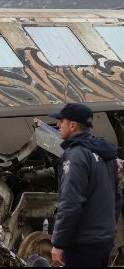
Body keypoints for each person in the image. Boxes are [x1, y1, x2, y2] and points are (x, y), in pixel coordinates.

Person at [49, 103, 123, 267]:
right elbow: (117, 198)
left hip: (82, 244)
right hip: (103, 241)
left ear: (73, 125)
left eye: (61, 121)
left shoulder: (76, 155)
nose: (58, 125)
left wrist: (58, 243)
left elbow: (70, 202)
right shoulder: (106, 153)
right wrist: (106, 231)